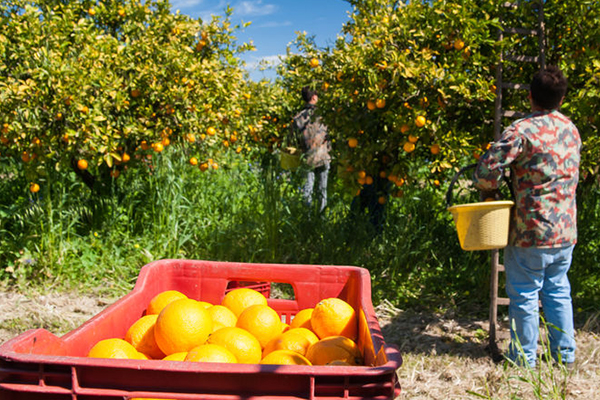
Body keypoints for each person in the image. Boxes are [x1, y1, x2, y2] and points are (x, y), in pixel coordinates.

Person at [473, 66, 581, 368]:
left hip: (529, 231)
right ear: (561, 100)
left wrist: (490, 191)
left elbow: (485, 171)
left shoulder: (521, 131)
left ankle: (524, 359)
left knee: (524, 293)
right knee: (558, 290)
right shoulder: (571, 129)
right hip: (565, 231)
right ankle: (565, 355)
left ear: (530, 96)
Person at [292, 86, 331, 212]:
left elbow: (293, 141)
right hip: (323, 156)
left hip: (307, 157)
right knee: (322, 191)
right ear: (314, 97)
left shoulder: (297, 118)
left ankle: (307, 218)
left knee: (307, 190)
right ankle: (321, 218)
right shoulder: (323, 115)